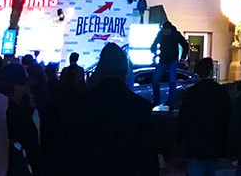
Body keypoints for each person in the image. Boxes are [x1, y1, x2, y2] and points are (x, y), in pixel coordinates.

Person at [49, 41, 159, 176]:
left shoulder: (80, 105)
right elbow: (149, 162)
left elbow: (61, 155)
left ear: (100, 70)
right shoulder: (140, 108)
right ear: (124, 71)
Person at [176, 56, 231, 175]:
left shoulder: (192, 92)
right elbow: (228, 116)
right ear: (211, 72)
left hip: (195, 145)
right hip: (214, 144)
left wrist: (180, 140)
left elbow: (183, 118)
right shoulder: (220, 91)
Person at [151, 20, 189, 110]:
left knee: (171, 81)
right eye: (164, 31)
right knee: (155, 80)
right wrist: (153, 49)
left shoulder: (175, 35)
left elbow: (185, 44)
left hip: (172, 60)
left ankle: (172, 102)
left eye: (166, 31)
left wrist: (183, 57)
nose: (165, 33)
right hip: (163, 60)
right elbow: (154, 43)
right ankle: (158, 100)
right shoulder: (161, 34)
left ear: (170, 30)